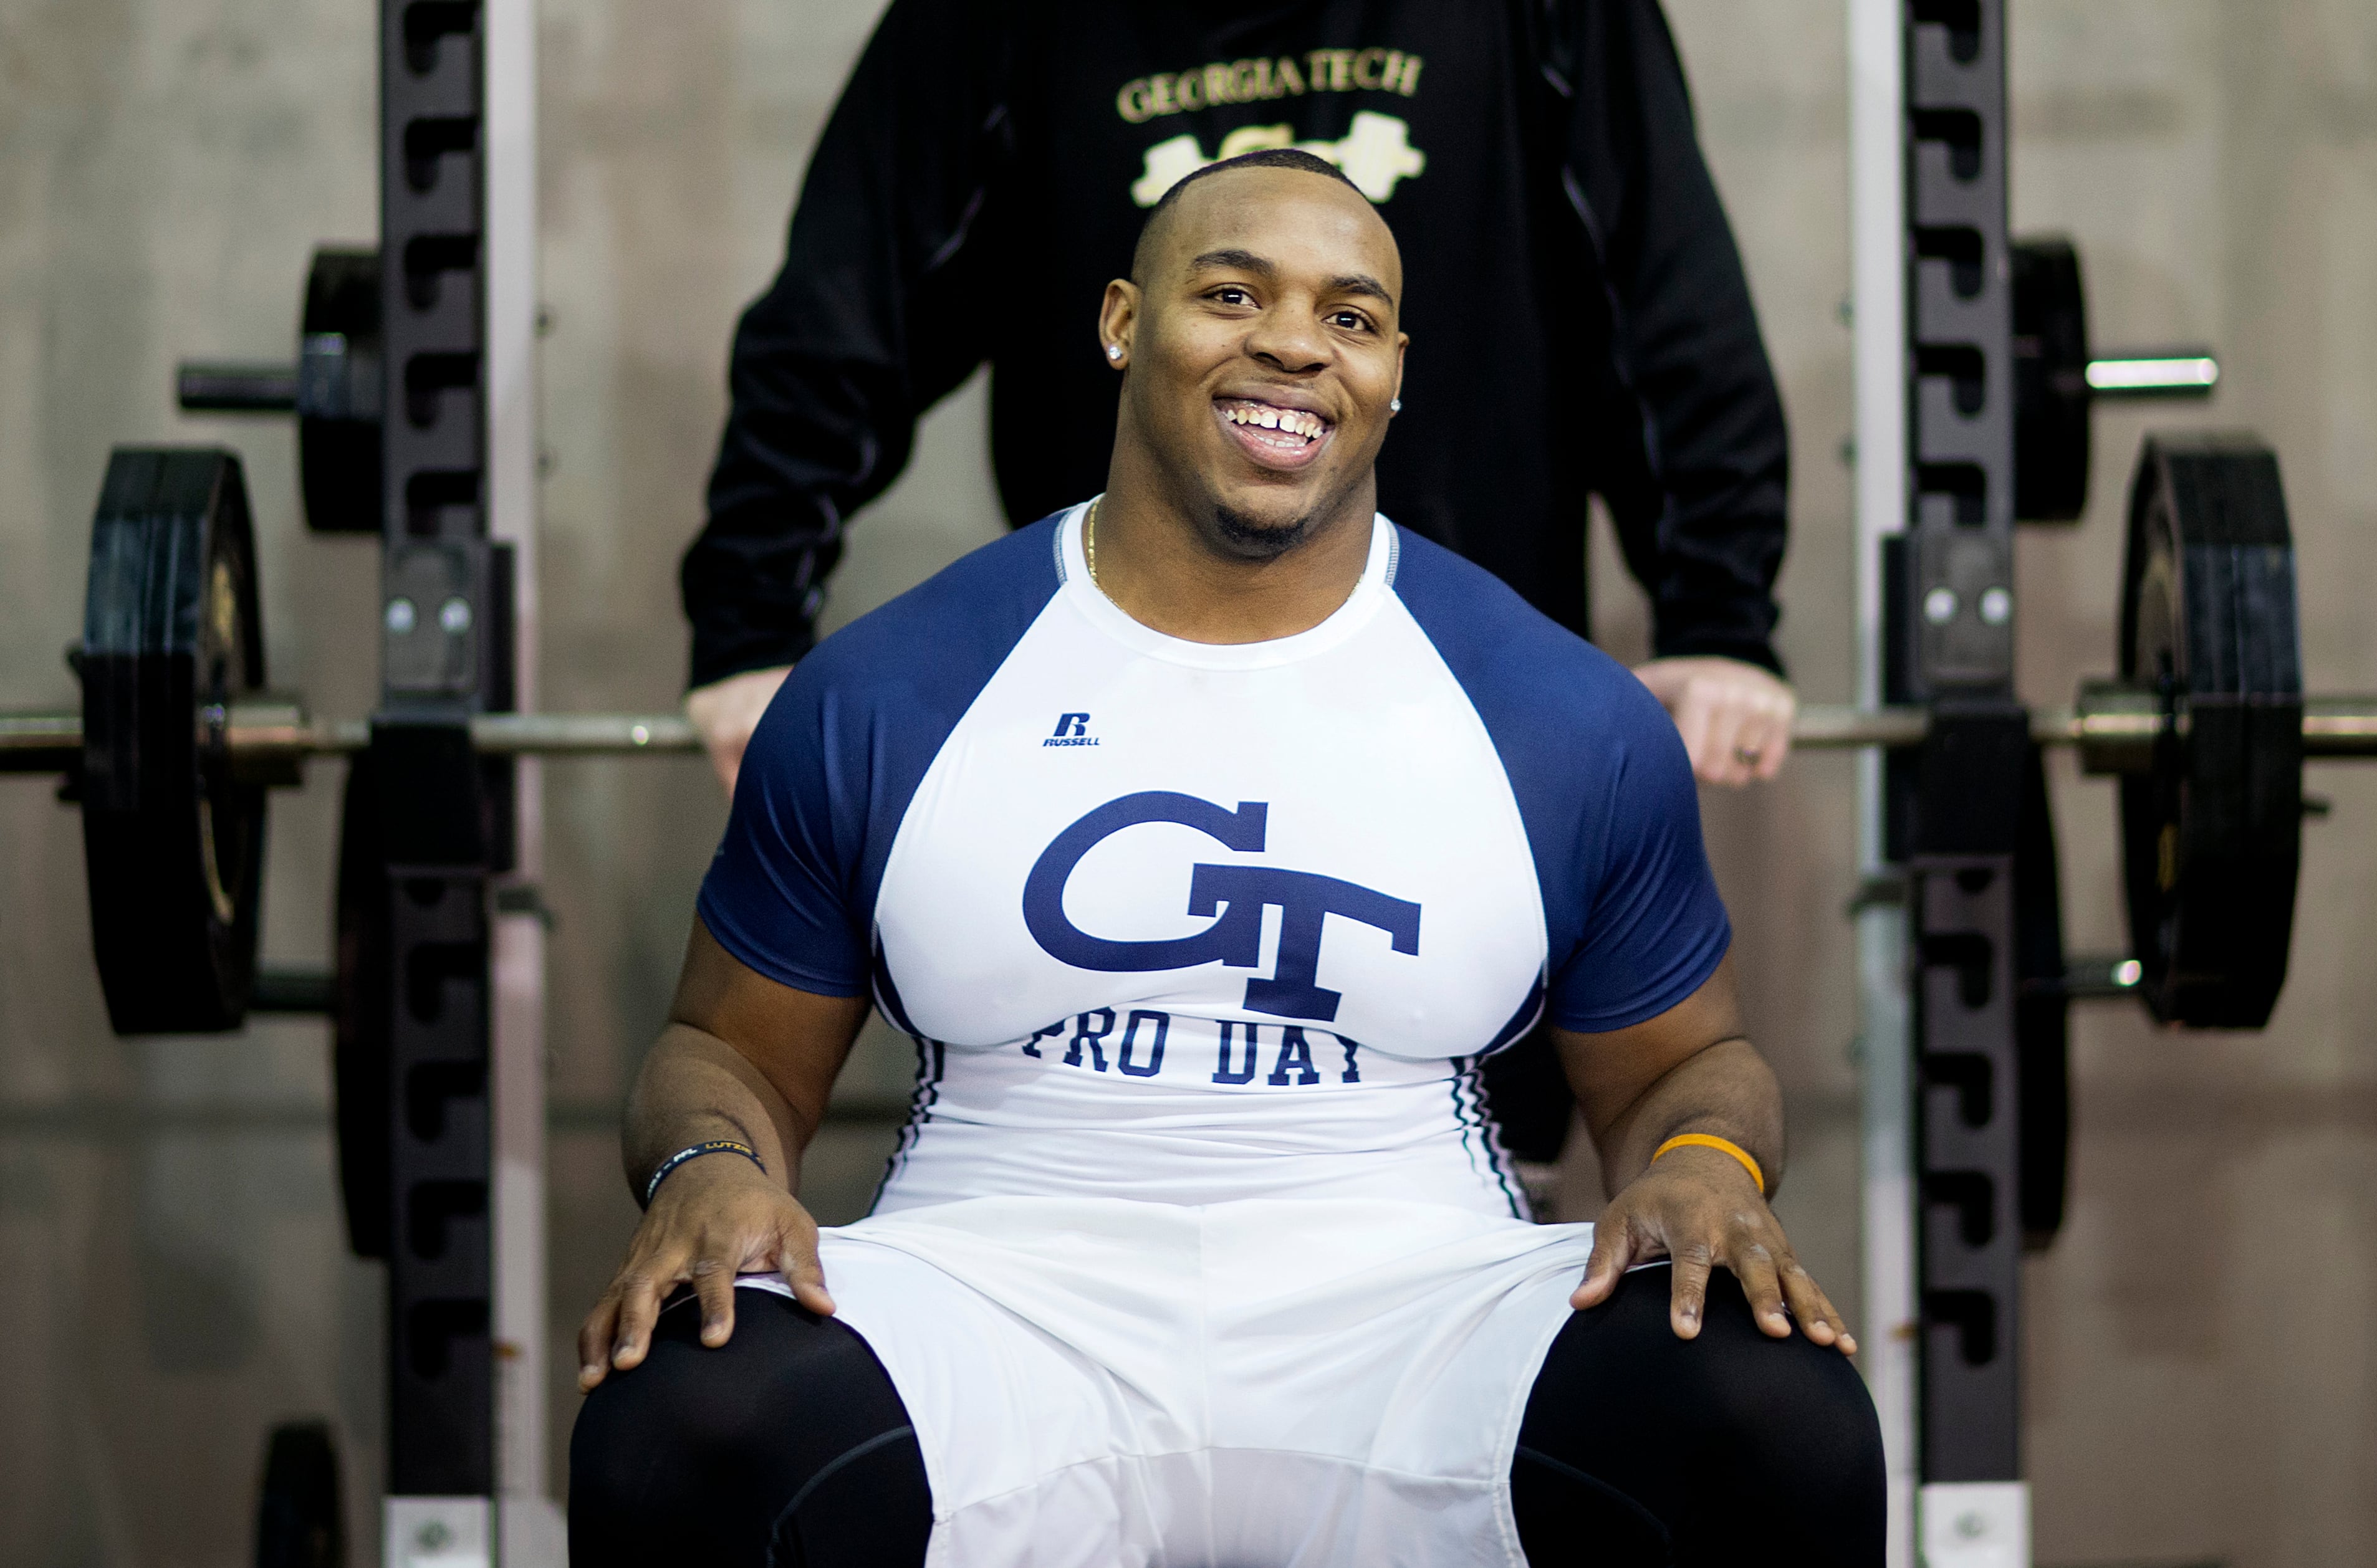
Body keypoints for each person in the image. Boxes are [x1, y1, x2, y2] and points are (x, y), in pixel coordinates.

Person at [574, 153, 1878, 1566]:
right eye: (1234, 293)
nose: (1295, 345)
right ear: (1124, 321)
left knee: (1769, 1411)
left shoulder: (1558, 713)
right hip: (998, 1293)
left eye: (1353, 315)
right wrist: (707, 1167)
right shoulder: (895, 687)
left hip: (1416, 1309)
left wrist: (1700, 1163)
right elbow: (731, 1054)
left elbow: (1690, 1065)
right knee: (686, 1419)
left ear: (1392, 370)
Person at [681, 0, 1798, 802]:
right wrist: (752, 626)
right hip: (1110, 706)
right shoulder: (1000, 19)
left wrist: (1718, 618)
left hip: (1457, 707)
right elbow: (846, 315)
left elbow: (1665, 309)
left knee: (1466, 1102)